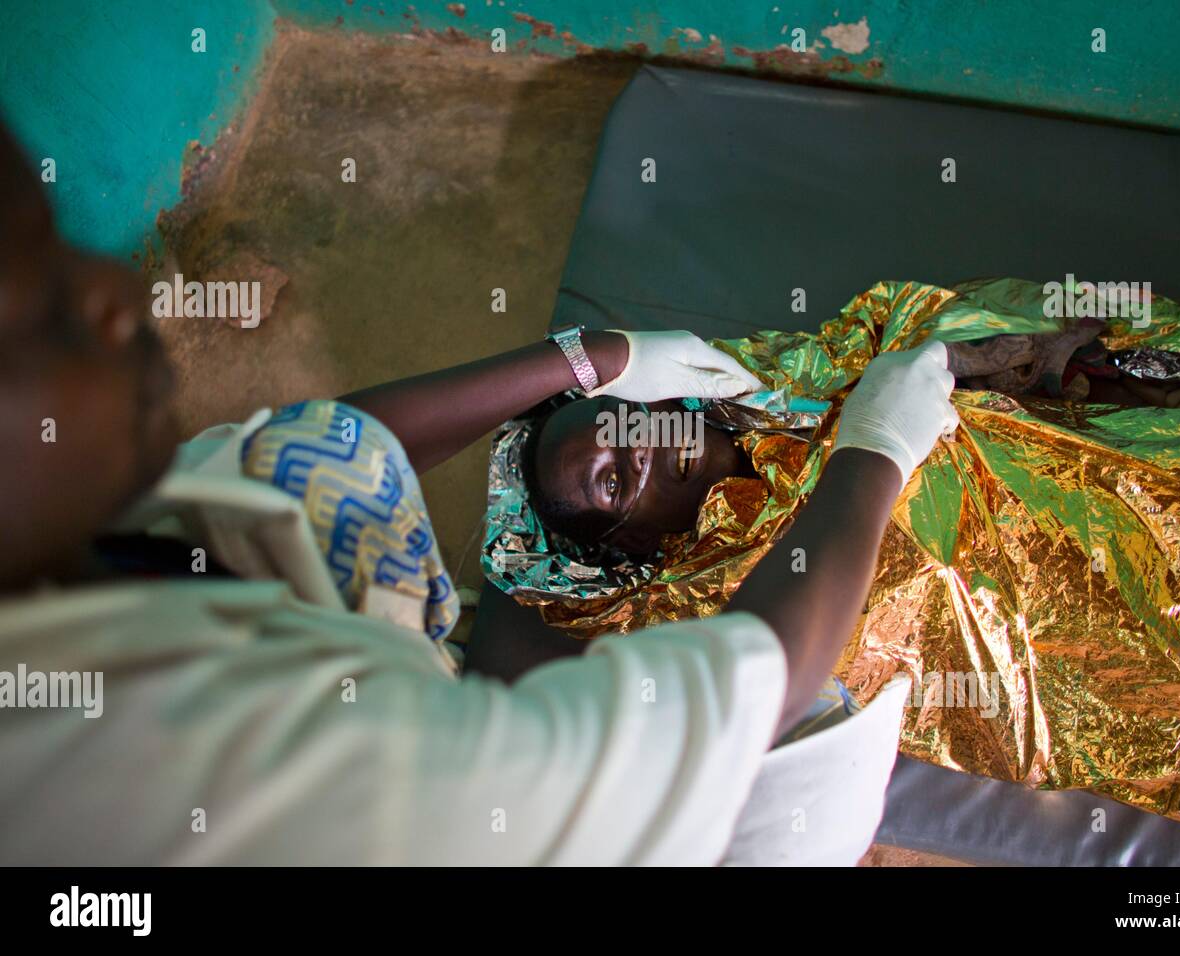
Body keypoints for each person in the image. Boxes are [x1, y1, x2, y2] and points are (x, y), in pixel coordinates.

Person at [0, 120, 958, 864]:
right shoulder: (283, 775)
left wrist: (589, 357)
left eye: (56, 248)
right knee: (811, 771)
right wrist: (875, 447)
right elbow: (748, 687)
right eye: (39, 319)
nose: (119, 295)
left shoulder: (89, 542)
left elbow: (328, 447)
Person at [474, 280, 1180, 852]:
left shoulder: (759, 382)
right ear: (628, 550)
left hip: (1095, 464)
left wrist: (963, 352)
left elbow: (905, 316)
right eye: (615, 480)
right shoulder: (711, 601)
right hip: (1047, 610)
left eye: (625, 423)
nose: (645, 452)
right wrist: (877, 449)